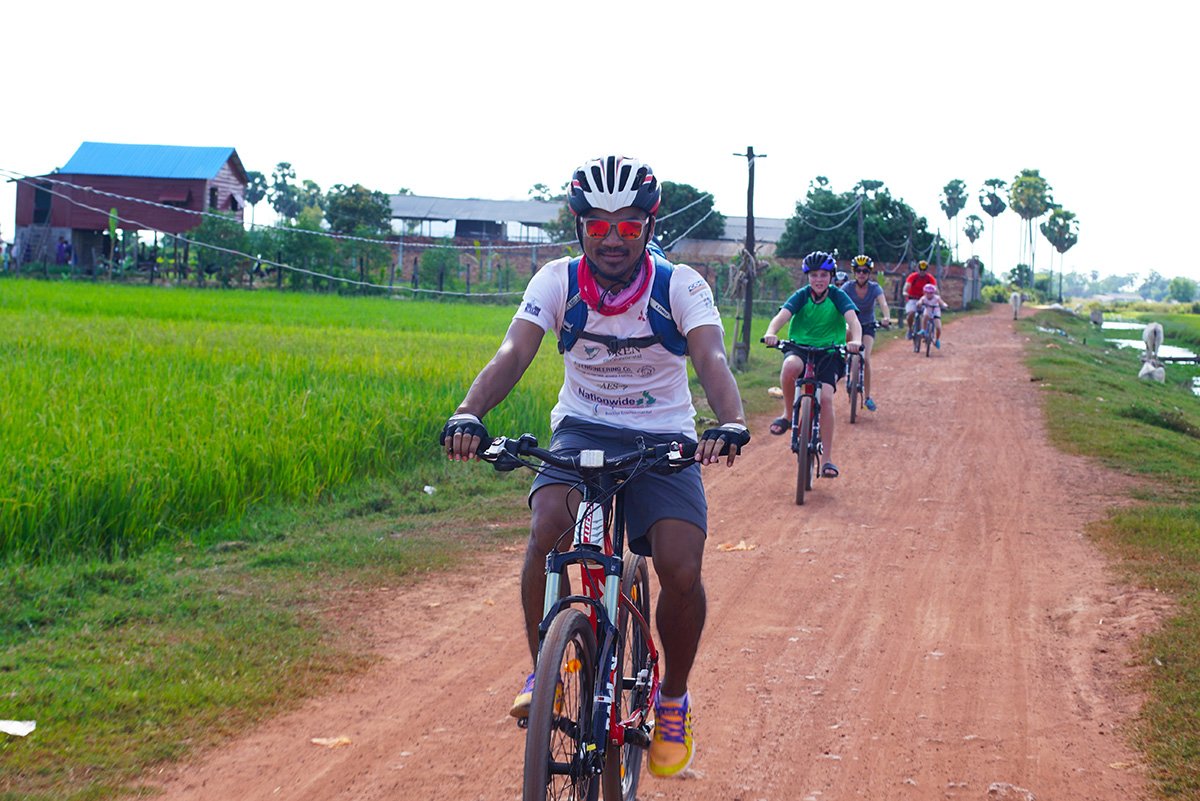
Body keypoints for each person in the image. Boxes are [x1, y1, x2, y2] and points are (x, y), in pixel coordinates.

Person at [441, 155, 749, 779]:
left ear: (650, 226)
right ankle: (544, 671)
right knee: (548, 525)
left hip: (662, 432)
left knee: (680, 564)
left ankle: (671, 700)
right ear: (579, 227)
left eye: (629, 226)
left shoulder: (680, 286)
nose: (613, 238)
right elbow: (513, 351)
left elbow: (711, 357)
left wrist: (731, 421)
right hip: (583, 426)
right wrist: (469, 411)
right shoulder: (555, 281)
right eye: (599, 225)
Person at [762, 251, 862, 479]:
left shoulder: (837, 296)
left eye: (824, 275)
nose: (819, 280)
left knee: (826, 398)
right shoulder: (802, 295)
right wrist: (771, 332)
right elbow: (782, 316)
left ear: (831, 277)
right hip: (800, 347)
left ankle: (826, 459)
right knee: (789, 368)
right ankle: (788, 415)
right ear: (807, 277)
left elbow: (853, 320)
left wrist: (855, 340)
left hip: (829, 351)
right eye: (814, 275)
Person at [844, 255, 890, 410]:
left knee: (867, 358)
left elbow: (883, 303)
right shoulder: (848, 287)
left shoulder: (875, 287)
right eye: (858, 270)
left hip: (869, 325)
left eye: (864, 271)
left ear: (869, 272)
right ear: (854, 272)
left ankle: (868, 397)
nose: (861, 274)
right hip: (852, 324)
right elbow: (836, 301)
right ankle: (843, 362)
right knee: (845, 338)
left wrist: (886, 317)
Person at [903, 260, 937, 339]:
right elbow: (907, 286)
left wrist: (936, 297)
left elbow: (935, 289)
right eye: (920, 270)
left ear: (927, 270)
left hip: (925, 299)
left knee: (928, 314)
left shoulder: (930, 278)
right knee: (911, 313)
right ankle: (910, 329)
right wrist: (905, 292)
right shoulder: (913, 276)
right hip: (913, 299)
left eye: (924, 270)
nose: (922, 272)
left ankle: (926, 331)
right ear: (917, 269)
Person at [916, 283, 949, 348]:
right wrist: (919, 304)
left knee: (938, 328)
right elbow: (920, 301)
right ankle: (923, 330)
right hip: (928, 310)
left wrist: (944, 305)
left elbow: (941, 302)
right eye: (927, 293)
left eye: (931, 293)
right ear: (925, 292)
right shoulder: (923, 298)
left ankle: (937, 340)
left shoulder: (936, 298)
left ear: (933, 293)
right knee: (925, 316)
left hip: (936, 312)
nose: (929, 294)